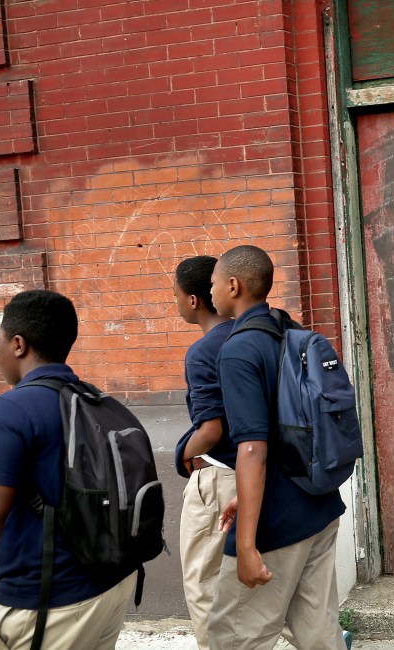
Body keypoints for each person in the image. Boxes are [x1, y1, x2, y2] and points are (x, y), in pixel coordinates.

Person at [0, 290, 137, 650]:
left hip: (46, 603)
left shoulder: (10, 411)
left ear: (19, 345)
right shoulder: (94, 399)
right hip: (111, 587)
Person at [208, 245, 349, 650]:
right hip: (318, 506)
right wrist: (245, 495)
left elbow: (253, 449)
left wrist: (248, 544)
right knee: (319, 633)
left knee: (233, 638)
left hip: (276, 526)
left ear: (233, 286)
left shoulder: (236, 350)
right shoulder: (289, 332)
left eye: (214, 283)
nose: (212, 291)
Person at [172, 255, 238, 649]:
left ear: (194, 299)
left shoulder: (203, 352)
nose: (176, 302)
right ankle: (322, 638)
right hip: (263, 470)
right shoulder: (261, 333)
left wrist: (184, 453)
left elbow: (211, 429)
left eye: (176, 295)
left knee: (204, 581)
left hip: (219, 481)